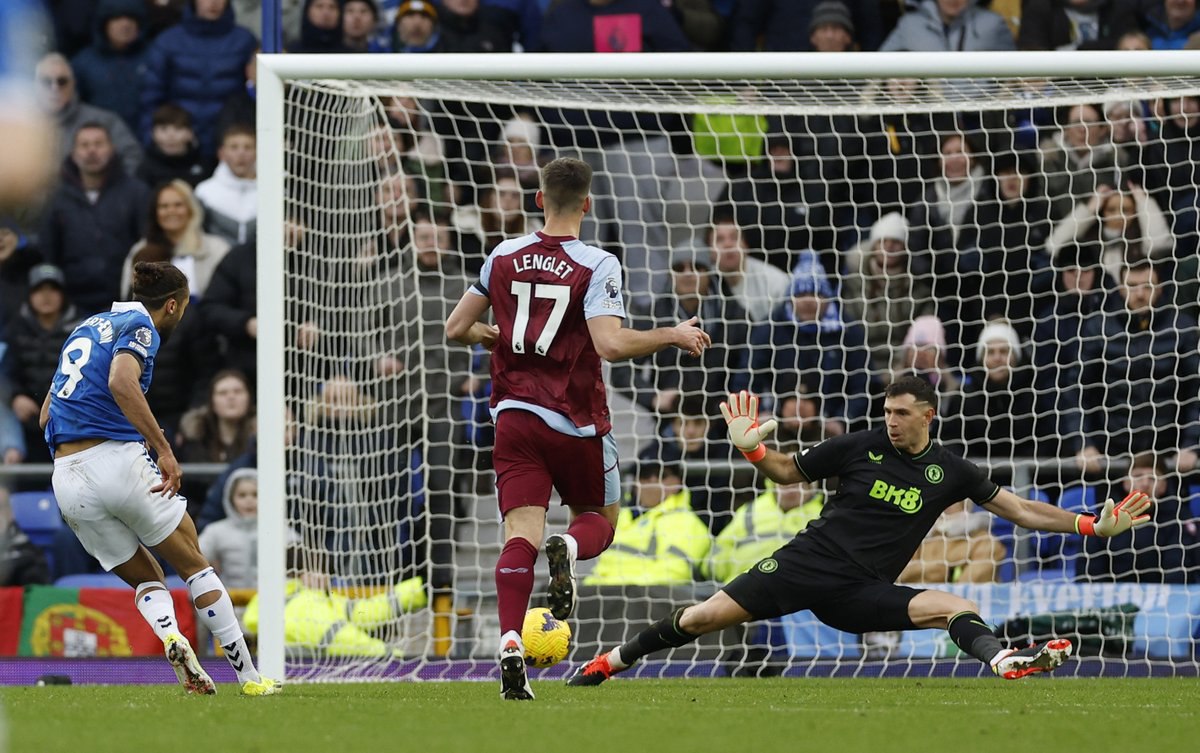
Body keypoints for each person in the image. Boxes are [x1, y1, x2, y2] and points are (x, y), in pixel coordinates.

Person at [566, 377, 1154, 687]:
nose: (890, 421)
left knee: (955, 603)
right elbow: (786, 470)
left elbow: (1019, 510)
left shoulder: (951, 470)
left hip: (859, 593)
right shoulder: (856, 447)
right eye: (886, 410)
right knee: (699, 619)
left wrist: (1088, 524)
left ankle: (1002, 660)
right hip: (806, 565)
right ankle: (610, 662)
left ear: (929, 415)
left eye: (902, 413)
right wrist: (752, 448)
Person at [444, 156, 711, 700]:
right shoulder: (598, 263)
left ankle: (512, 640)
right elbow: (610, 344)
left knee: (520, 536)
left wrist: (494, 338)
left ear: (538, 199)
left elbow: (455, 328)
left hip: (514, 417)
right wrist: (671, 334)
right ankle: (568, 542)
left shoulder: (502, 254)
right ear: (587, 204)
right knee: (599, 521)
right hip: (575, 421)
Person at [40, 261, 278, 696]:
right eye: (184, 307)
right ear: (172, 304)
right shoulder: (142, 326)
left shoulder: (86, 328)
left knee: (148, 577)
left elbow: (45, 415)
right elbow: (121, 380)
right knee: (194, 565)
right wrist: (164, 448)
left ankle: (171, 637)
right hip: (115, 458)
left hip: (66, 477)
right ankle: (250, 679)